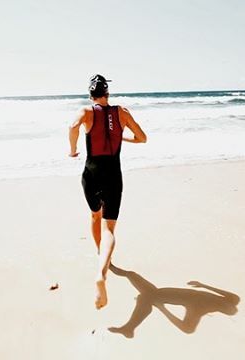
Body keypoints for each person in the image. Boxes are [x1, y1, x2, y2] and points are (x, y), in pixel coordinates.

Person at [68, 74, 147, 309]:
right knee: (109, 227)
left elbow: (72, 127)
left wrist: (72, 150)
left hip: (90, 174)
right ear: (107, 94)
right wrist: (122, 137)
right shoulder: (121, 112)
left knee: (95, 215)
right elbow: (142, 138)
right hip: (113, 174)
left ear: (91, 95)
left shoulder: (85, 112)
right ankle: (102, 271)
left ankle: (101, 256)